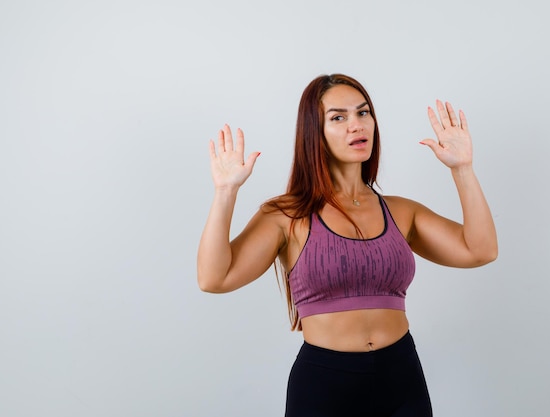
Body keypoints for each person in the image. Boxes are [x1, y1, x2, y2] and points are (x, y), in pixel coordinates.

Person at [197, 73, 497, 417]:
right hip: (324, 386)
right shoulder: (286, 215)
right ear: (316, 133)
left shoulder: (401, 211)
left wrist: (463, 169)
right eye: (338, 117)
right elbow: (214, 278)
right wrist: (225, 192)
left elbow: (480, 250)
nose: (356, 125)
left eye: (363, 113)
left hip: (401, 378)